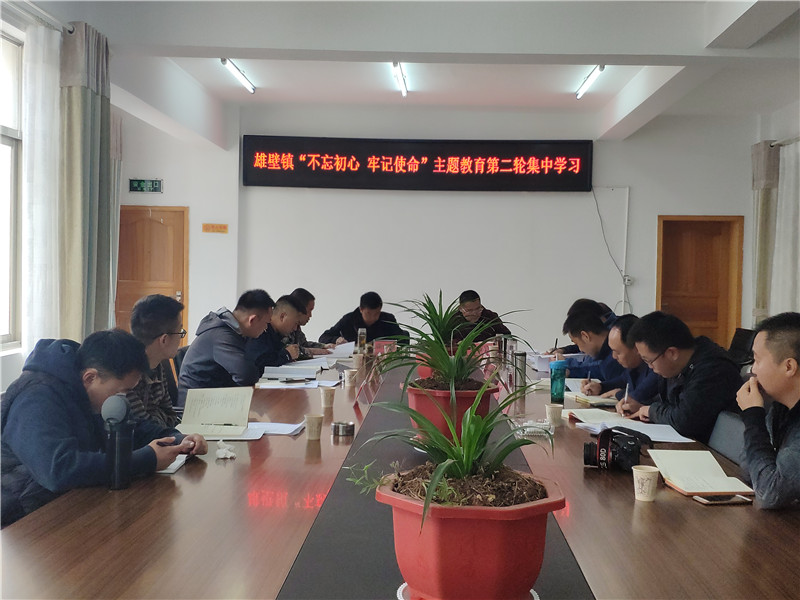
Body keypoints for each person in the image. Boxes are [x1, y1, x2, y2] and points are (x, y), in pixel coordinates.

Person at [1, 329, 207, 527]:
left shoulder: (92, 390)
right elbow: (59, 470)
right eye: (120, 392)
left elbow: (135, 428)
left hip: (75, 502)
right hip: (22, 517)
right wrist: (146, 460)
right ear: (90, 378)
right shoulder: (36, 399)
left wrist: (178, 439)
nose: (122, 399)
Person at [628, 311, 741, 443]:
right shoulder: (677, 365)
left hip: (714, 450)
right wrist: (641, 407)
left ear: (672, 353)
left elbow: (684, 421)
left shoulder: (713, 370)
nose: (650, 367)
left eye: (649, 361)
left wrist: (651, 411)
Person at [736, 312, 800, 509]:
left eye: (757, 360)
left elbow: (769, 493)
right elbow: (749, 469)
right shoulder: (781, 406)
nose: (752, 370)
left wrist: (753, 416)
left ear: (789, 366)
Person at [178, 289, 274, 404]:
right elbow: (247, 375)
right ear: (252, 320)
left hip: (214, 397)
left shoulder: (234, 333)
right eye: (266, 323)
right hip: (198, 405)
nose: (266, 328)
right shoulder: (221, 336)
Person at [580, 314, 660, 414]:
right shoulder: (634, 366)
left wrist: (618, 393)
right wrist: (601, 387)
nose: (614, 356)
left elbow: (636, 397)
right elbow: (623, 379)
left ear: (636, 348)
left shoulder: (656, 369)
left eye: (617, 352)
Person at [128, 294, 186, 428]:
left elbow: (170, 415)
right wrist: (159, 418)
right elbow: (144, 426)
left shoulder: (157, 364)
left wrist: (158, 417)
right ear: (164, 340)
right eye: (180, 332)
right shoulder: (127, 372)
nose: (181, 338)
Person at [318, 291, 407, 345]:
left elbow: (403, 338)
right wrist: (336, 339)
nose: (372, 317)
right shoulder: (349, 319)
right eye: (368, 313)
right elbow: (323, 337)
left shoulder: (388, 320)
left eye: (376, 313)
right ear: (361, 309)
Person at [560, 311, 625, 381]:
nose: (580, 349)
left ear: (585, 336)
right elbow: (596, 370)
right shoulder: (606, 355)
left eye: (577, 343)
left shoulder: (613, 359)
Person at [245, 295, 305, 369]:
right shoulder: (260, 330)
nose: (295, 328)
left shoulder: (276, 334)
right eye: (295, 323)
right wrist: (287, 355)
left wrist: (288, 357)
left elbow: (273, 356)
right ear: (282, 317)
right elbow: (258, 361)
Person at [287, 288, 335, 358]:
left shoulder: (296, 327)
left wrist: (323, 346)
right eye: (309, 310)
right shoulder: (284, 326)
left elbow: (303, 344)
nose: (310, 315)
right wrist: (312, 351)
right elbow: (287, 350)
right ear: (300, 309)